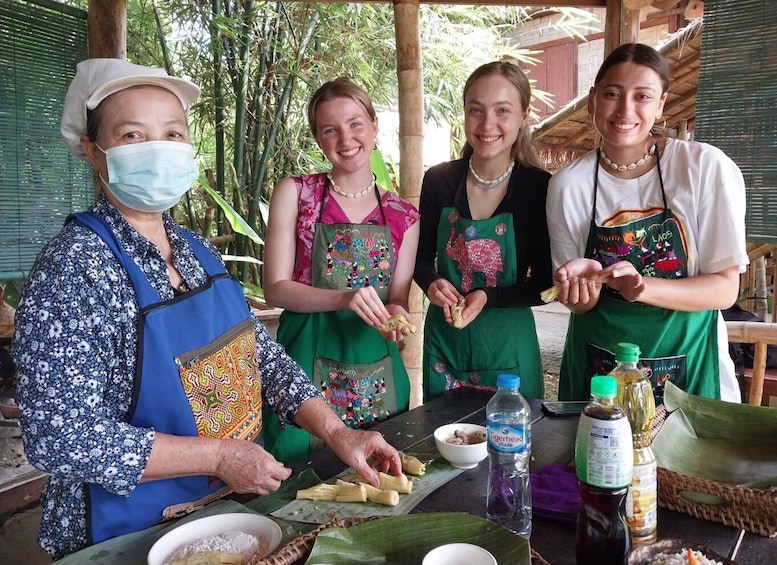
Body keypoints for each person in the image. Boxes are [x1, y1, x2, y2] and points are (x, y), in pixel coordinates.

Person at [11, 59, 400, 560]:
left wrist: (337, 431)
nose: (159, 148)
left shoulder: (197, 250)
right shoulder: (73, 268)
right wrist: (220, 454)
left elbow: (262, 358)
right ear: (93, 150)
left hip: (220, 514)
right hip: (125, 531)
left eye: (173, 133)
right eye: (133, 135)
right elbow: (59, 435)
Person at [546, 43, 749, 403]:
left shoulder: (703, 168)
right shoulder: (568, 185)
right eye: (612, 94)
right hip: (600, 369)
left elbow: (724, 289)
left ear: (661, 104)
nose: (625, 109)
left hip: (691, 364)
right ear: (593, 100)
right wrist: (580, 289)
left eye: (643, 96)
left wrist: (642, 287)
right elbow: (577, 305)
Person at [262, 78, 420, 464]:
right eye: (330, 129)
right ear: (318, 138)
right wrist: (344, 298)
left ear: (374, 125)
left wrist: (397, 315)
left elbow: (397, 298)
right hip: (303, 366)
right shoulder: (296, 193)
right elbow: (275, 290)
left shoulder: (403, 215)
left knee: (379, 478)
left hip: (377, 372)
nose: (345, 138)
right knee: (297, 482)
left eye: (355, 124)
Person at [413, 60, 553, 402]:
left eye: (502, 110)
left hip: (508, 345)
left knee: (513, 445)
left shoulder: (538, 187)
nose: (487, 123)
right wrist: (432, 283)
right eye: (476, 110)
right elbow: (418, 260)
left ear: (523, 117)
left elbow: (546, 284)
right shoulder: (439, 180)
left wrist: (489, 296)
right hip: (446, 343)